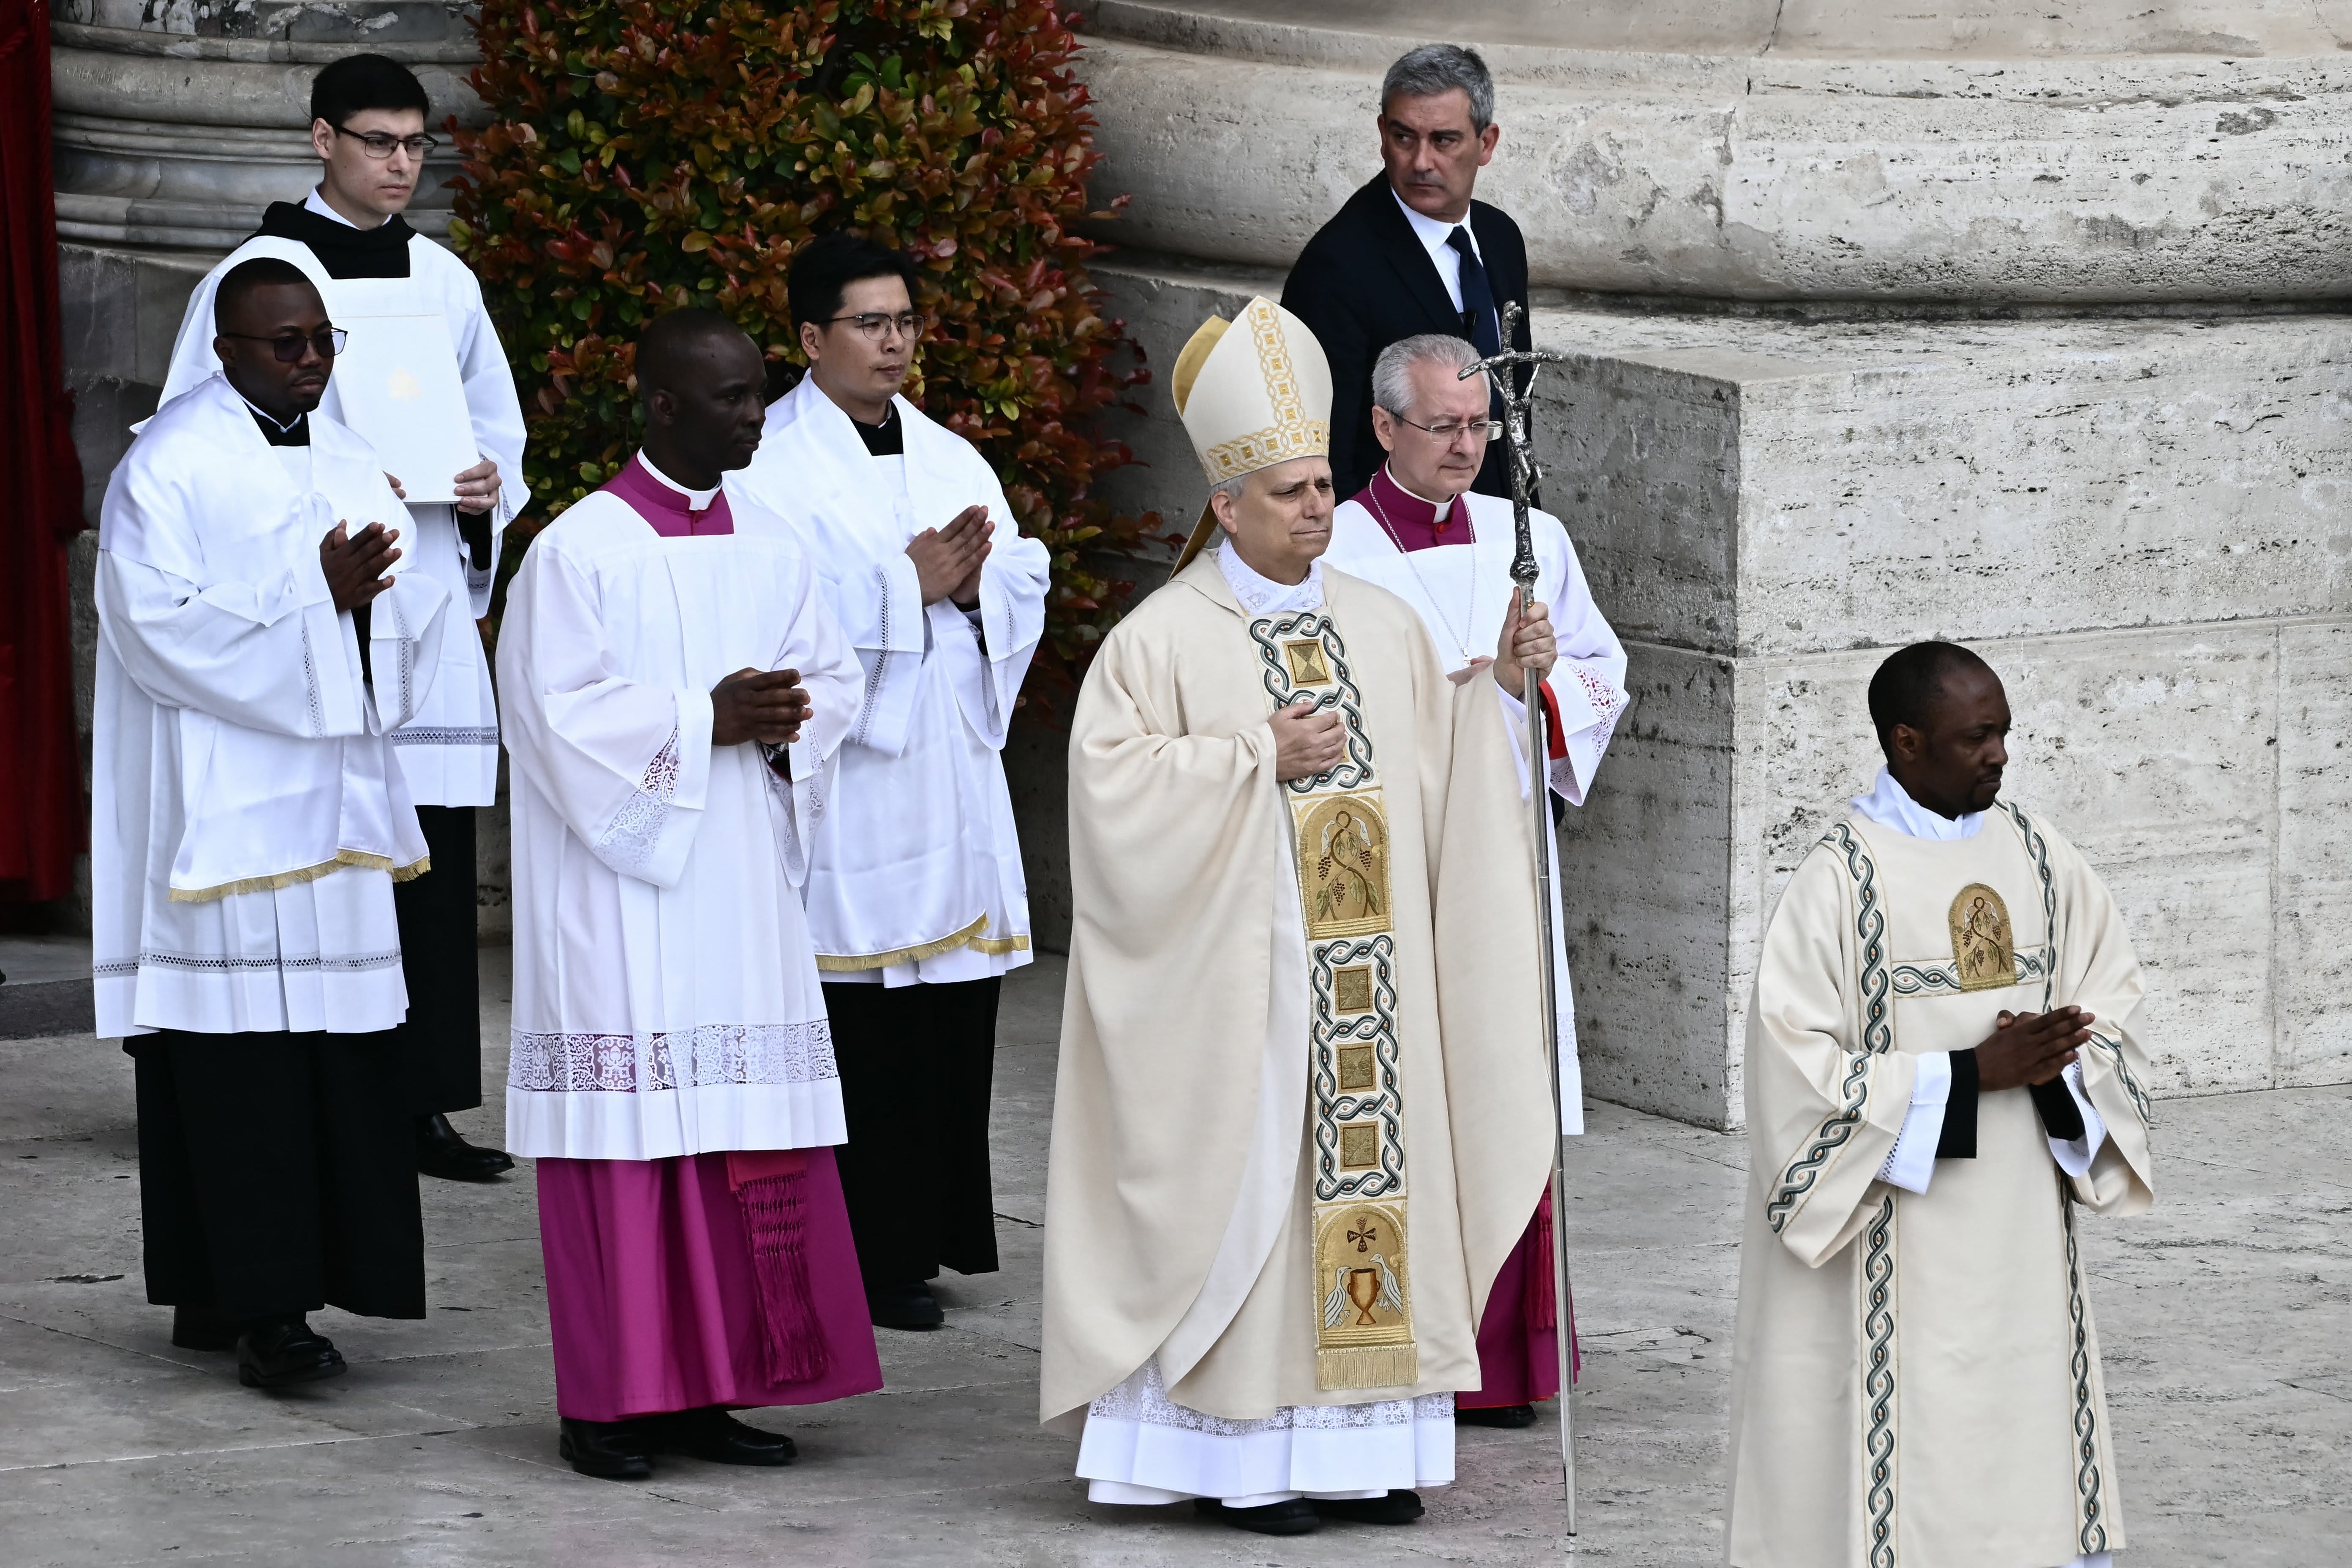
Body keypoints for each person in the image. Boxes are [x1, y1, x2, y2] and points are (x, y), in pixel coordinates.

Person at [1041, 296, 1562, 1536]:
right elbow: (1106, 802)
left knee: (1374, 1198)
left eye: (1325, 485)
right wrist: (1244, 756)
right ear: (1225, 506)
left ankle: (1365, 1450)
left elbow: (1447, 778)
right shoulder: (1159, 641)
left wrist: (1500, 683)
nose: (1319, 510)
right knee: (1265, 1209)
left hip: (1368, 1013)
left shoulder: (1381, 627)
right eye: (1288, 492)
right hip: (1243, 1011)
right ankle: (1250, 1461)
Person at [497, 309, 879, 1480]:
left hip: (742, 891)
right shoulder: (578, 551)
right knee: (631, 1147)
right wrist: (700, 720)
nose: (756, 416)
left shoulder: (772, 540)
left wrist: (783, 724)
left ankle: (717, 1386)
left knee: (736, 1138)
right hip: (622, 897)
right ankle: (610, 1402)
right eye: (730, 399)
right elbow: (550, 719)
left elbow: (835, 678)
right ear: (661, 405)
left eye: (760, 393)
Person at [155, 52, 529, 1182]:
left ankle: (421, 1101)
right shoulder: (258, 275)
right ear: (323, 141)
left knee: (423, 851)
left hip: (416, 597)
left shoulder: (445, 279)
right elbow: (194, 436)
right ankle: (334, 1091)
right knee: (334, 854)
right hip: (312, 606)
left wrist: (480, 496)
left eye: (416, 144)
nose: (401, 164)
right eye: (378, 142)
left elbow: (498, 429)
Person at [93, 257, 452, 1387]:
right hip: (224, 818)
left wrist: (380, 603)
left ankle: (248, 1286)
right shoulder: (170, 466)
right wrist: (317, 599)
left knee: (331, 1064)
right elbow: (153, 629)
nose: (308, 362)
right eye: (283, 344)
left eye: (320, 342)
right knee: (235, 1070)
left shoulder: (351, 459)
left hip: (333, 816)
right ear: (225, 351)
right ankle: (261, 1309)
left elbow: (417, 617)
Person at [1726, 642, 2156, 1568]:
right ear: (1906, 741)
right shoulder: (1837, 881)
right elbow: (1791, 1076)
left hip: (2019, 1231)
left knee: (2023, 1424)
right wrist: (1969, 1074)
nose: (2001, 753)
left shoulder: (2042, 857)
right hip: (1888, 1233)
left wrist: (2060, 1062)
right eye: (1977, 737)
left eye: (2004, 731)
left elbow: (2112, 999)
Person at [729, 232, 1052, 1331]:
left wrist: (971, 595)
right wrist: (899, 588)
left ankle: (932, 1236)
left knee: (946, 1025)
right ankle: (857, 1253)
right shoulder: (765, 464)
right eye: (871, 324)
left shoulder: (950, 456)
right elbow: (766, 612)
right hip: (850, 792)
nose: (895, 342)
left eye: (906, 321)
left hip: (944, 780)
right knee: (858, 1023)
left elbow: (1019, 570)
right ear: (811, 338)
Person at [1323, 332, 1629, 1429]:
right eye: (1445, 426)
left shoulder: (1530, 537)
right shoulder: (1336, 551)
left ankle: (1505, 1362)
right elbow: (1337, 716)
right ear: (1383, 427)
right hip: (1392, 872)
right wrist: (1479, 686)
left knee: (1507, 1080)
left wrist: (1545, 692)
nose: (1468, 446)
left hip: (1509, 862)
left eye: (1480, 425)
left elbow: (1605, 673)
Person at [1282, 44, 1532, 503]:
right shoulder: (1335, 267)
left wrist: (1526, 524)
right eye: (1404, 138)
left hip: (1502, 533)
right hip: (1396, 546)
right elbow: (1323, 454)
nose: (1420, 162)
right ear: (1382, 134)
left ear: (1487, 143)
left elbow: (1512, 405)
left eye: (1443, 140)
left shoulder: (1501, 239)